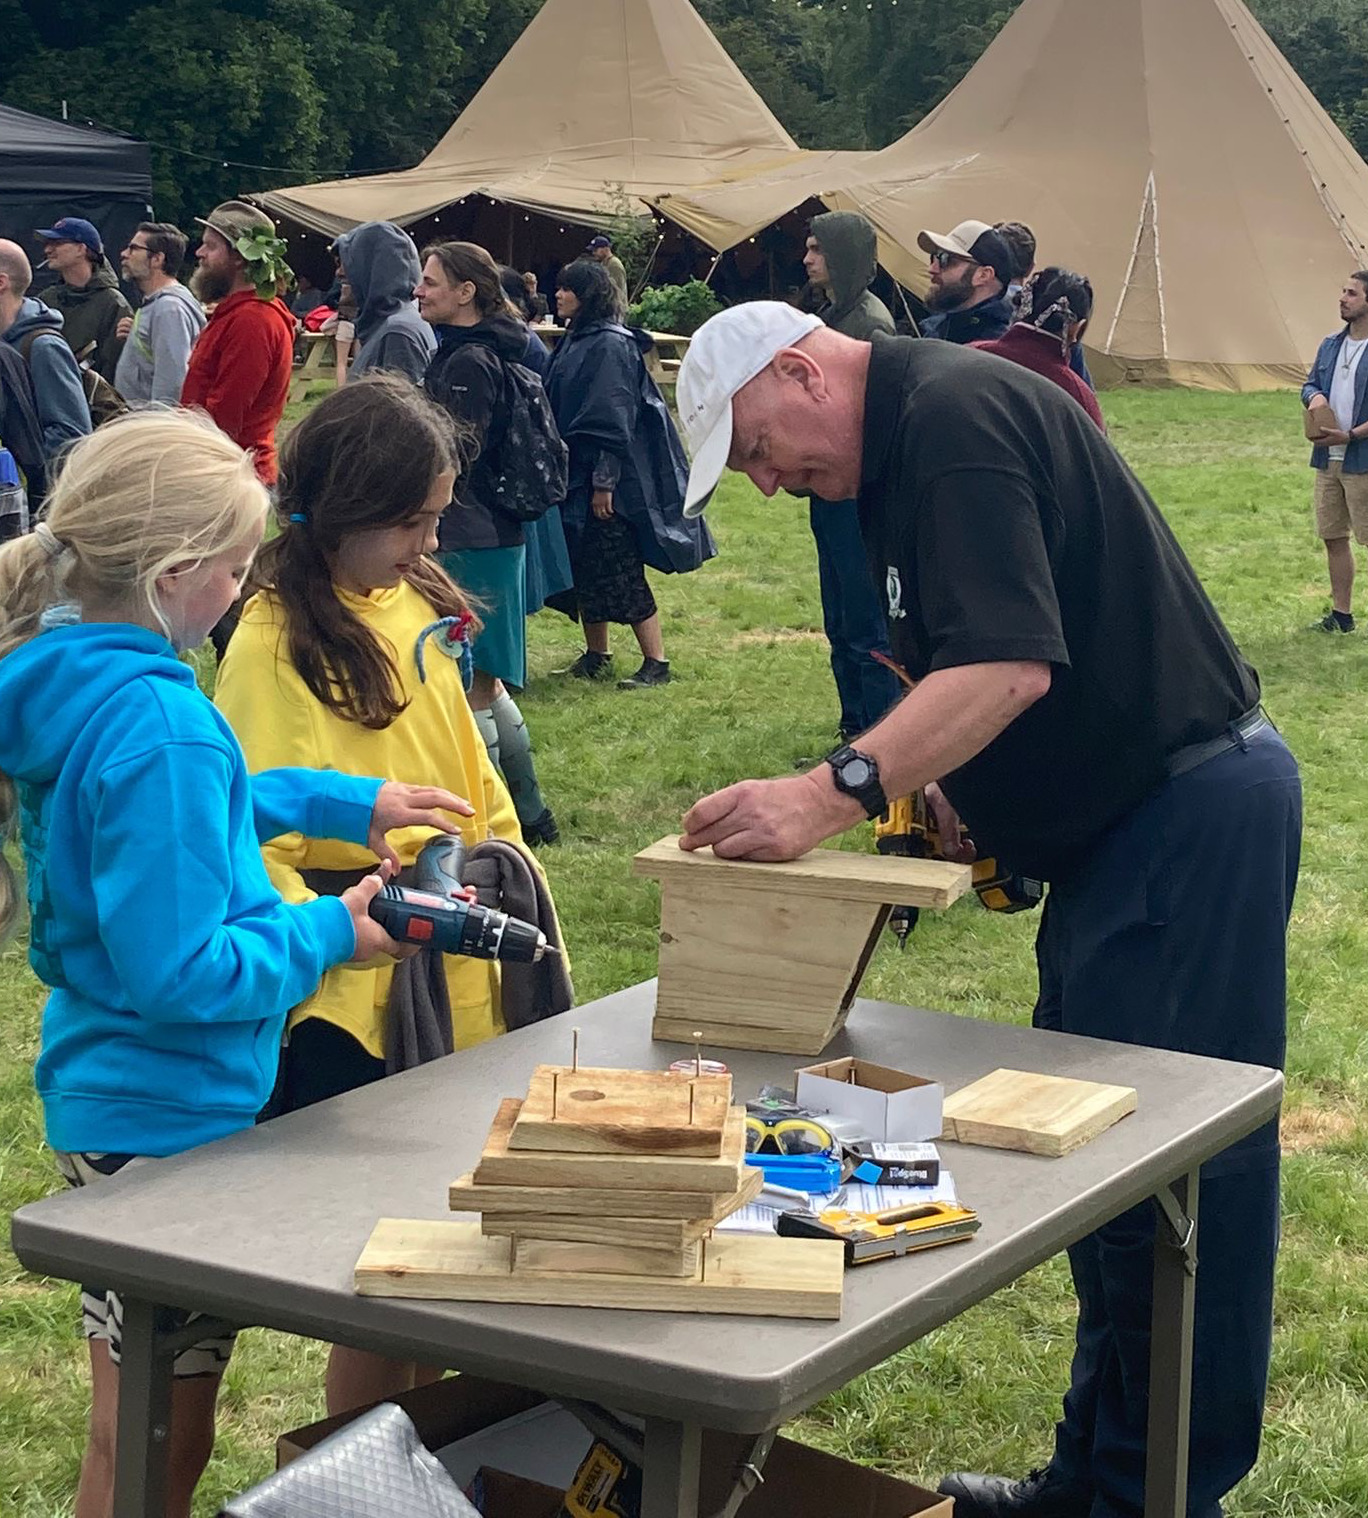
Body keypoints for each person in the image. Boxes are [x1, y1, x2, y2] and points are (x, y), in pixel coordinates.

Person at [673, 303, 1301, 1518]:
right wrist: (953, 773)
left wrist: (829, 792)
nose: (762, 483)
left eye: (755, 447)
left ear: (799, 371)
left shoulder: (952, 420)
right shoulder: (908, 442)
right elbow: (980, 655)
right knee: (1107, 1183)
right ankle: (1098, 1481)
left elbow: (1011, 663)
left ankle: (1159, 1494)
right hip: (1129, 836)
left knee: (1180, 1191)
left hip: (1180, 822)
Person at [0, 408, 452, 1518]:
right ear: (179, 572)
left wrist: (345, 798)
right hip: (170, 1121)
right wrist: (330, 934)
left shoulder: (76, 677)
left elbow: (178, 825)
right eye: (242, 567)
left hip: (109, 1097)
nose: (251, 587)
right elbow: (183, 972)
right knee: (159, 1435)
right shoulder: (161, 718)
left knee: (140, 1419)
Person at [214, 373, 567, 1412]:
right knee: (389, 1278)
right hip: (352, 1005)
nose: (429, 539)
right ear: (347, 507)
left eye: (436, 515)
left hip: (451, 981)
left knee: (451, 1261)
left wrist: (501, 856)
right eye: (409, 520)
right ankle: (368, 1471)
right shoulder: (273, 642)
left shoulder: (413, 604)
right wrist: (334, 932)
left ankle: (431, 1464)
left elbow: (466, 774)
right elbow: (249, 842)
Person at [414, 241, 559, 844]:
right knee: (488, 677)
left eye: (430, 282)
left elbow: (455, 456)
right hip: (491, 532)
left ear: (466, 291)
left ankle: (498, 831)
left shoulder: (469, 361)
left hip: (470, 531)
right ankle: (532, 817)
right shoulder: (481, 350)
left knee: (471, 678)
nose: (418, 291)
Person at [543, 259, 714, 687]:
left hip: (604, 477)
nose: (559, 295)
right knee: (585, 565)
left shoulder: (609, 345)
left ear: (588, 295)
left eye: (568, 289)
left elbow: (611, 417)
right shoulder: (577, 339)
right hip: (575, 474)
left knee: (619, 567)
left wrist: (605, 483)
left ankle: (656, 660)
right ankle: (597, 652)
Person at [801, 212, 902, 741]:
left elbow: (872, 417)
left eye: (818, 249)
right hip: (828, 490)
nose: (807, 258)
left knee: (867, 623)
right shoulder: (830, 315)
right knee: (839, 619)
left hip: (858, 497)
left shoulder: (870, 323)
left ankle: (878, 737)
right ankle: (851, 727)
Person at [181, 201, 295, 486]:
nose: (200, 253)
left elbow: (225, 418)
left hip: (230, 477)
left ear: (239, 258)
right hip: (221, 470)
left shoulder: (253, 321)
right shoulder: (237, 314)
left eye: (211, 246)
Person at [499, 263, 575, 618]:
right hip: (523, 466)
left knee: (522, 580)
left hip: (526, 464)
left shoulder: (520, 341)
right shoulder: (514, 336)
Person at [1301, 271, 1368, 632]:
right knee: (1333, 536)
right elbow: (1309, 382)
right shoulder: (1330, 344)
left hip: (1363, 459)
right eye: (1343, 291)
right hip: (1329, 459)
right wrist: (1315, 396)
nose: (1343, 298)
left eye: (1352, 294)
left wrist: (1351, 435)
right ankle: (1341, 616)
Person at [971, 268, 1105, 431]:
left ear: (1020, 306)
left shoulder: (969, 355)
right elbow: (1095, 454)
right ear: (1076, 328)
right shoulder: (1078, 397)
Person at [0, 239, 92, 466]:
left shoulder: (44, 347)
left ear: (1, 283)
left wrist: (19, 473)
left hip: (31, 496)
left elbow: (72, 437)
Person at [113, 222, 206, 407]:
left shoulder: (169, 309)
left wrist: (158, 431)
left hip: (151, 428)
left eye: (133, 249)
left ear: (157, 259)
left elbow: (171, 390)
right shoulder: (158, 305)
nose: (124, 254)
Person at [332, 221, 436, 383]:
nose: (339, 272)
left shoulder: (397, 334)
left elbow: (400, 408)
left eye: (348, 263)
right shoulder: (391, 325)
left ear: (375, 267)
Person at [35, 216, 130, 384]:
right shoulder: (46, 299)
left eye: (57, 243)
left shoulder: (112, 303)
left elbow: (113, 366)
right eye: (48, 244)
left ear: (81, 249)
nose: (48, 250)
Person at [916, 220, 1015, 344]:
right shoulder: (942, 326)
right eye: (934, 257)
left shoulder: (995, 346)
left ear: (983, 275)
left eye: (946, 259)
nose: (932, 269)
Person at [587, 234, 629, 310]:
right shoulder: (604, 263)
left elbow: (617, 290)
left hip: (615, 310)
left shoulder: (614, 265)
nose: (593, 253)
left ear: (606, 249)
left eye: (596, 250)